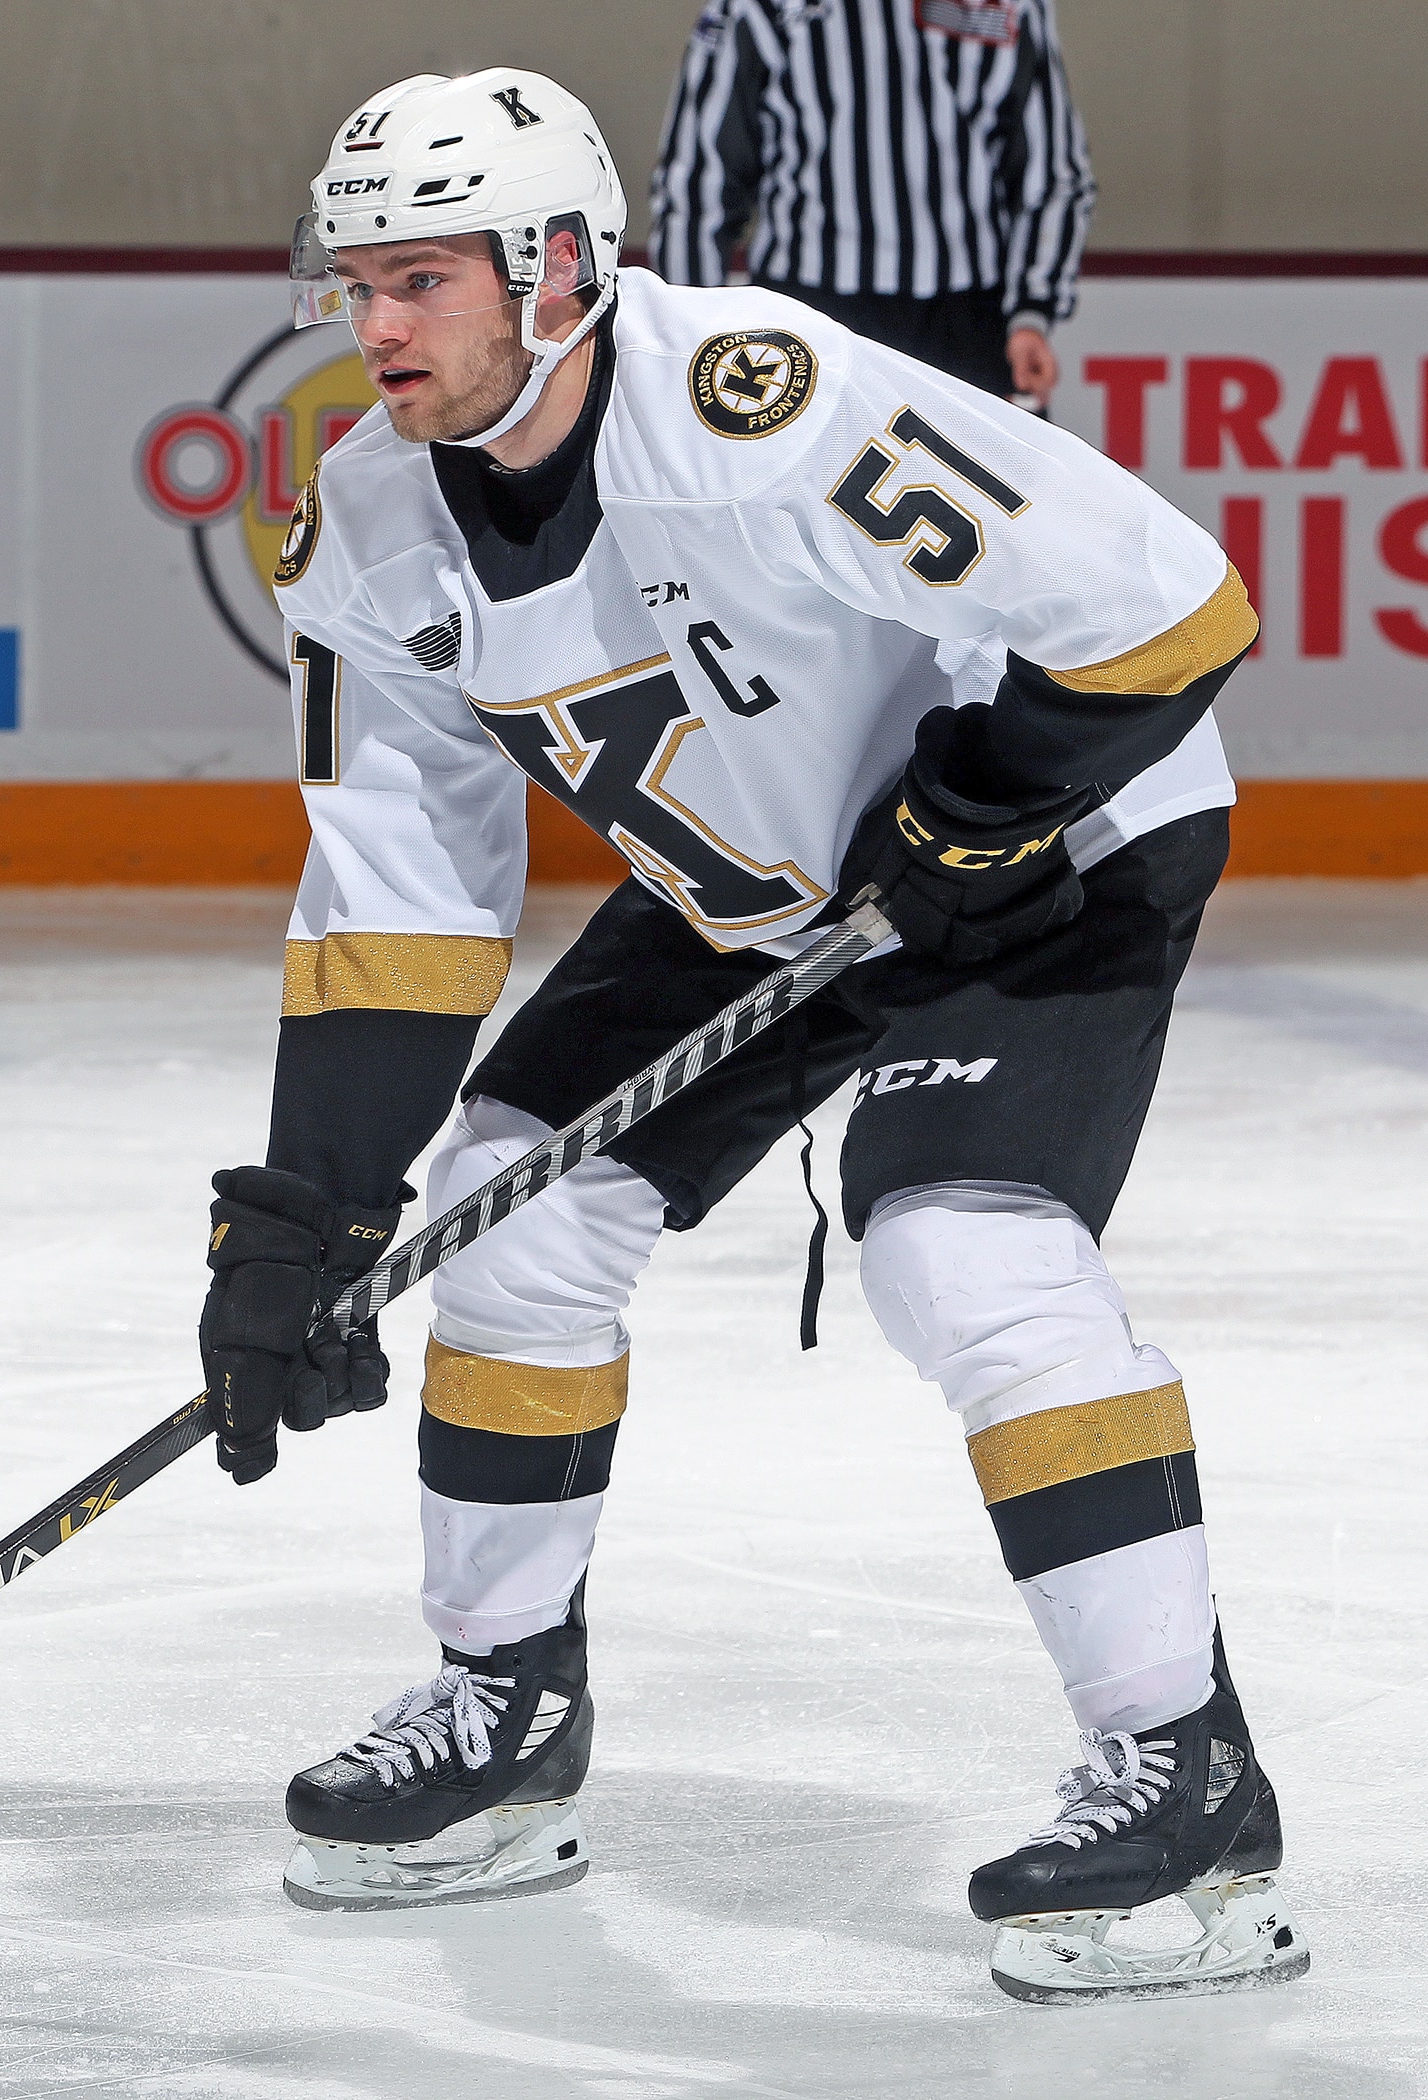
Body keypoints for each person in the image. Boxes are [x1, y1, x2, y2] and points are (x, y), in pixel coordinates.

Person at [196, 66, 1306, 2001]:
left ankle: (1183, 1778)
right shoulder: (366, 527)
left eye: (418, 280)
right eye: (352, 278)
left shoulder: (753, 409)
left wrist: (990, 792)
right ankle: (501, 1716)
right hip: (760, 881)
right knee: (506, 1216)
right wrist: (309, 1210)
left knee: (956, 1249)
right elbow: (396, 877)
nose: (367, 325)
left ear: (554, 269)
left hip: (1046, 835)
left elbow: (1163, 604)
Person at [648, 0, 1096, 409]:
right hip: (810, 321)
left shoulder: (1011, 7)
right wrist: (693, 336)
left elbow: (1052, 171)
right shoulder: (756, 8)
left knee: (984, 496)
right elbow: (698, 179)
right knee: (805, 494)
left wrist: (1030, 315)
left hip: (969, 323)